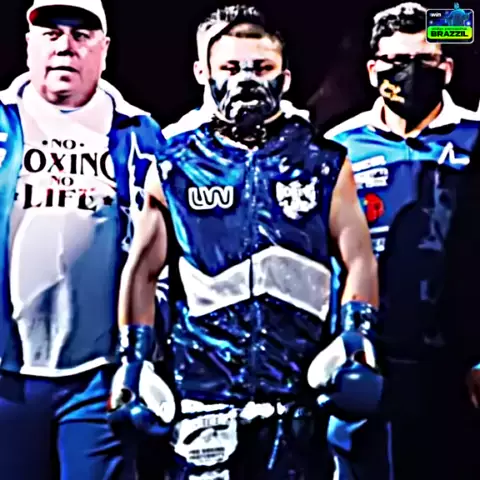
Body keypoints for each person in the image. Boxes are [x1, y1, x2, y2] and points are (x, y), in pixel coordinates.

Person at [113, 5, 390, 479]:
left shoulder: (324, 161)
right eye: (230, 68)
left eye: (261, 68)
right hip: (203, 400)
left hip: (296, 397)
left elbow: (359, 257)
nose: (245, 80)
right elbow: (141, 271)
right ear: (204, 73)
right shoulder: (174, 165)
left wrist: (355, 336)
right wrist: (135, 359)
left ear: (284, 77)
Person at [0, 0, 168, 478]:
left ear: (104, 49)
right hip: (6, 376)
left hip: (101, 375)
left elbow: (166, 252)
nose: (65, 47)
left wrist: (145, 354)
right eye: (51, 33)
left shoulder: (141, 134)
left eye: (81, 35)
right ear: (29, 45)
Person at [324, 3, 480, 479]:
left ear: (446, 68)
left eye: (424, 60)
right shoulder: (337, 145)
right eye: (395, 60)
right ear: (373, 70)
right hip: (365, 361)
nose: (409, 72)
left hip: (455, 365)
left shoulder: (476, 139)